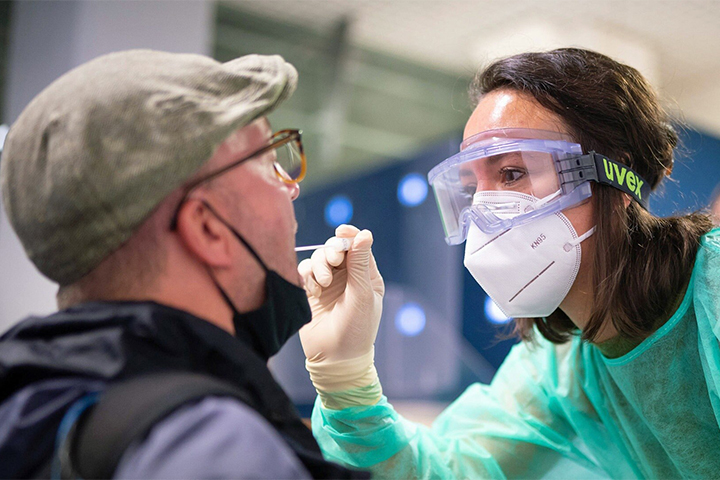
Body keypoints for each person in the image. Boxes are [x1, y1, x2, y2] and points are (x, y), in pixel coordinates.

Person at [297, 47, 720, 478]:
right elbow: (442, 470)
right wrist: (346, 381)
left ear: (617, 177)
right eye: (470, 188)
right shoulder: (561, 365)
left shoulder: (713, 291)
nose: (484, 211)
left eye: (513, 174)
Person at [0, 50, 368, 479]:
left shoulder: (26, 406)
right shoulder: (213, 445)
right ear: (207, 227)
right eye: (270, 165)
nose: (292, 190)